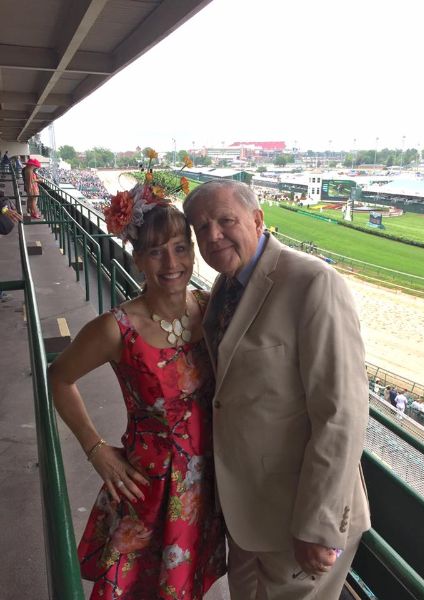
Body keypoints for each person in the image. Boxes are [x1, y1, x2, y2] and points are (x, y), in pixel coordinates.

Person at [183, 180, 370, 600]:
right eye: (201, 227)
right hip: (246, 516)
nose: (213, 235)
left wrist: (317, 525)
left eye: (225, 220)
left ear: (257, 219)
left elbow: (343, 413)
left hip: (298, 522)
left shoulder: (313, 283)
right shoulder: (224, 288)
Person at [49, 172, 225, 599]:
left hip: (209, 487)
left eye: (181, 249)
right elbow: (59, 377)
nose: (171, 264)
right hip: (146, 488)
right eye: (155, 252)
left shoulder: (211, 307)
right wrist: (96, 450)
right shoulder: (116, 328)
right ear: (137, 260)